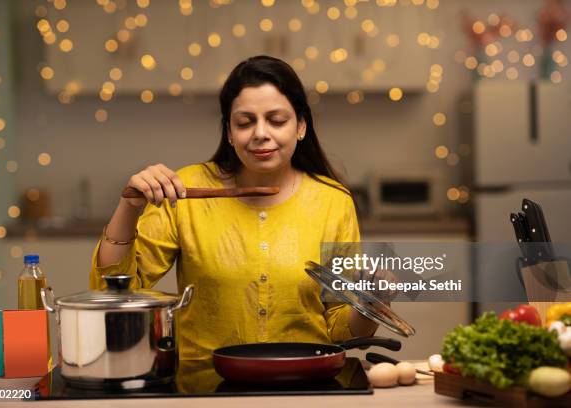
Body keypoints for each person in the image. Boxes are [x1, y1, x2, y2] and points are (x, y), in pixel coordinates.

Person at [90, 55, 379, 360]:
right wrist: (129, 207)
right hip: (205, 388)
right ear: (229, 132)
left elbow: (340, 328)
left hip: (303, 385)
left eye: (277, 120)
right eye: (245, 122)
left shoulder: (333, 201)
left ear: (301, 126)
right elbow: (111, 294)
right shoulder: (185, 191)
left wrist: (373, 303)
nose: (260, 133)